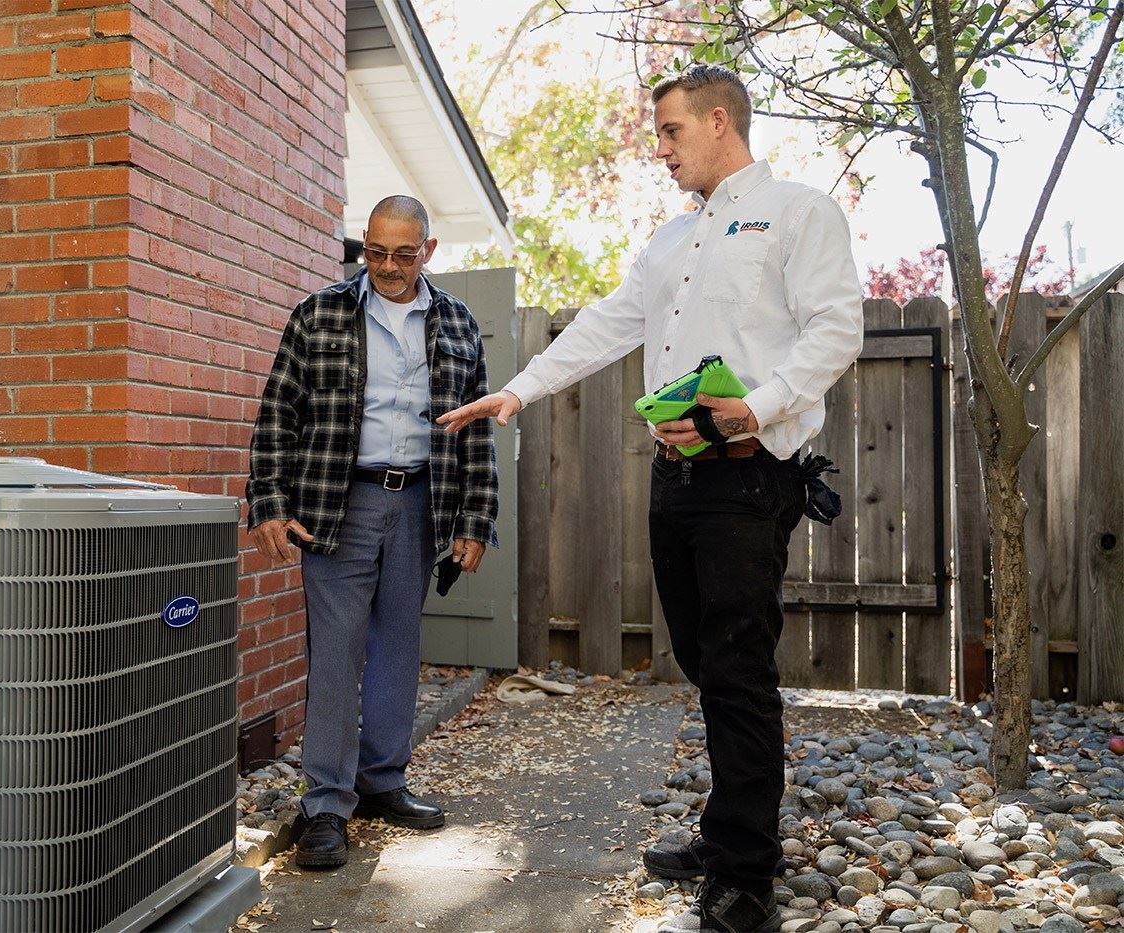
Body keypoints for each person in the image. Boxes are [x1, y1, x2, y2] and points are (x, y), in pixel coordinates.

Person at [438, 65, 863, 932]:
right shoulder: (670, 242)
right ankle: (725, 831)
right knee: (708, 667)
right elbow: (606, 323)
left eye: (670, 132)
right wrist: (520, 389)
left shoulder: (798, 212)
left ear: (718, 122)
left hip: (750, 473)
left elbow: (836, 327)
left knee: (739, 671)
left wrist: (761, 403)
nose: (660, 149)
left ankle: (745, 875)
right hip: (675, 477)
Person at [246, 195, 499, 871]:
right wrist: (268, 500)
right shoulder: (320, 312)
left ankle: (382, 781)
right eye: (376, 252)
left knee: (397, 647)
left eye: (403, 254)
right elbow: (277, 412)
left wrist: (476, 518)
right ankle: (326, 802)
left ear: (429, 250)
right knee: (335, 651)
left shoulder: (456, 324)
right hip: (340, 501)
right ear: (365, 244)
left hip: (420, 500)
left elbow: (474, 428)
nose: (388, 267)